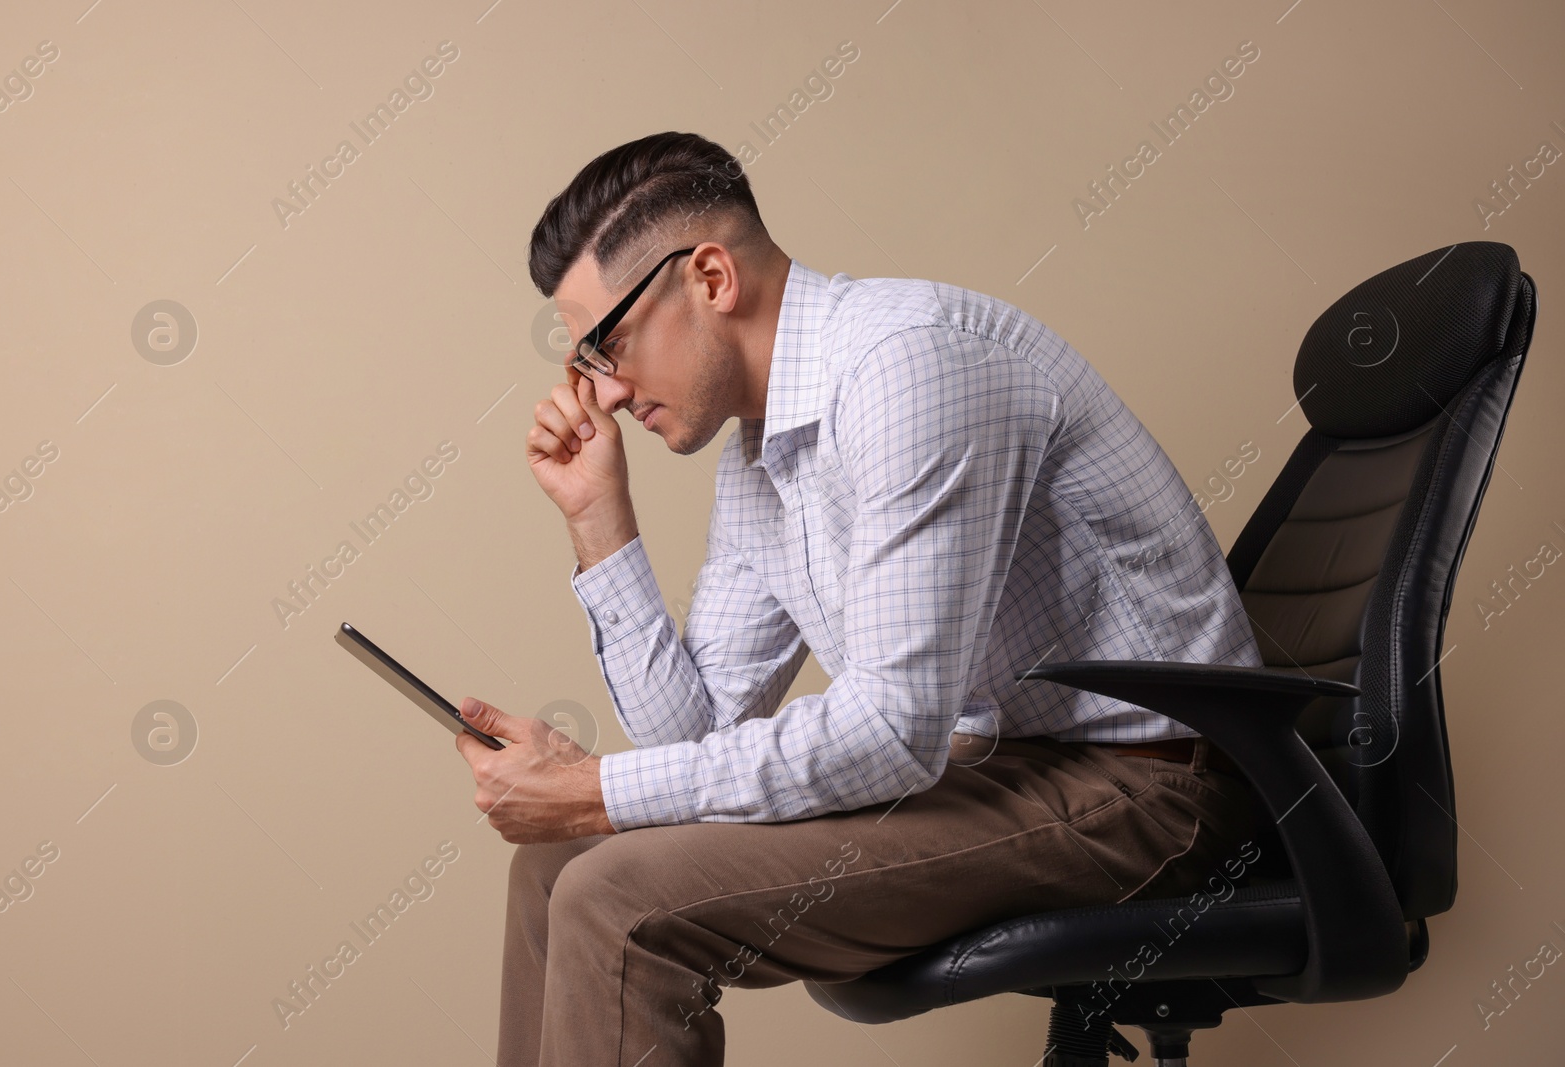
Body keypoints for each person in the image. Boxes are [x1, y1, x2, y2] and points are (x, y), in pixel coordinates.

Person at [453, 130, 1267, 1067]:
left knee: (616, 898)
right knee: (554, 868)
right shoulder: (759, 463)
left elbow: (892, 731)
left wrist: (598, 789)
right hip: (1003, 765)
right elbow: (695, 741)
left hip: (1152, 792)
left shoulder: (908, 369)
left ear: (711, 279)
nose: (602, 388)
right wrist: (600, 517)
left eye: (605, 341)